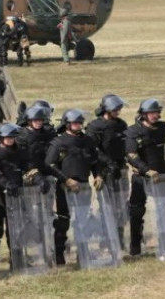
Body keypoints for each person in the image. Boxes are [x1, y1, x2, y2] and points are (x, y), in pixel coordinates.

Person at [45, 109, 105, 265]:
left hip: (83, 186)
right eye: (75, 123)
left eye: (80, 123)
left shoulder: (88, 141)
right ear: (67, 124)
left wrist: (98, 175)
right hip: (65, 186)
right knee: (63, 221)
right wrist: (66, 180)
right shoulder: (58, 142)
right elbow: (50, 165)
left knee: (82, 221)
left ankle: (83, 253)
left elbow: (95, 162)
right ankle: (59, 254)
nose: (78, 126)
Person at [0, 123, 42, 274]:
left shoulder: (20, 153)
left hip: (16, 197)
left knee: (16, 231)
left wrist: (40, 179)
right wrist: (6, 185)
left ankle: (17, 261)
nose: (10, 140)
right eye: (7, 138)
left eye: (12, 138)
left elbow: (30, 168)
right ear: (0, 138)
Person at [124, 99, 165, 256]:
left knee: (164, 210)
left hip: (161, 177)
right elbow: (131, 156)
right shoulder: (133, 132)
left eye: (157, 112)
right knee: (136, 212)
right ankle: (135, 245)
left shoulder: (164, 129)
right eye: (152, 113)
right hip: (141, 178)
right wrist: (147, 170)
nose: (156, 115)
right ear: (143, 114)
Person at [85, 94, 129, 246]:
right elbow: (93, 150)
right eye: (116, 109)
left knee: (122, 203)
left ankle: (119, 237)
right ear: (107, 109)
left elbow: (126, 146)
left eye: (119, 109)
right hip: (104, 171)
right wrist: (109, 164)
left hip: (121, 169)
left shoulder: (121, 125)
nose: (118, 111)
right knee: (106, 205)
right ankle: (106, 238)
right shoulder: (94, 127)